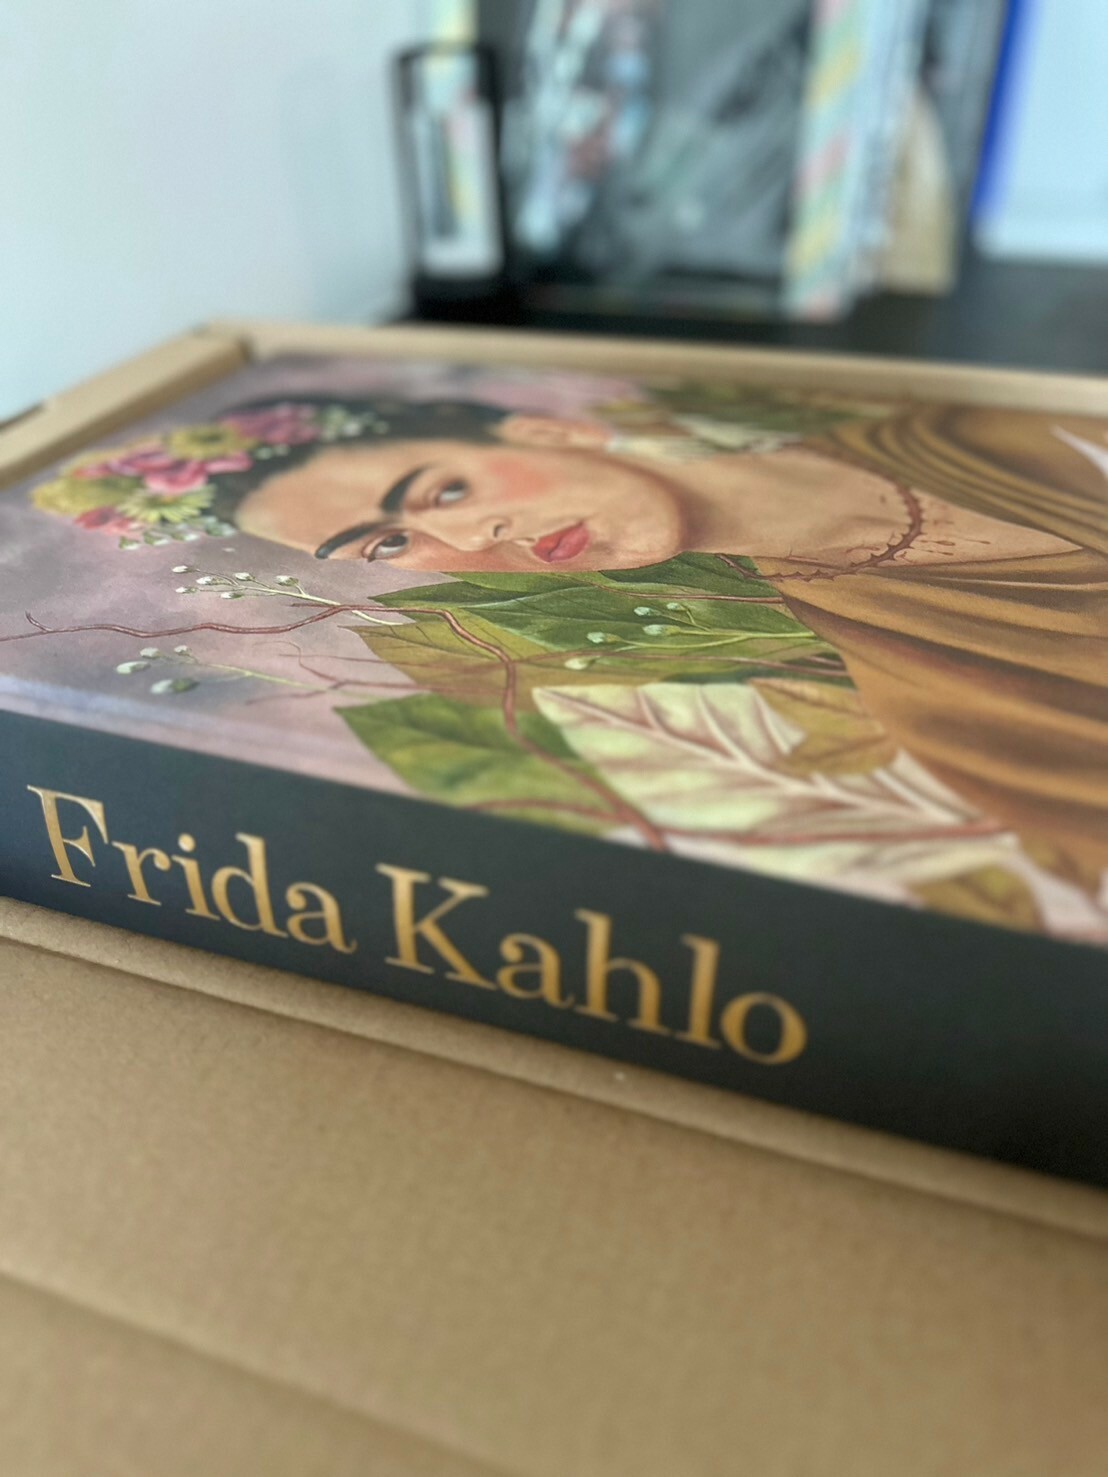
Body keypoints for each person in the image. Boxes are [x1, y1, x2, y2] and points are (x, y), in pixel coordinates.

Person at [32, 392, 1108, 886]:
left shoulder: (979, 424)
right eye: (390, 544)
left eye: (446, 489)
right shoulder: (931, 693)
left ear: (553, 429)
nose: (472, 540)